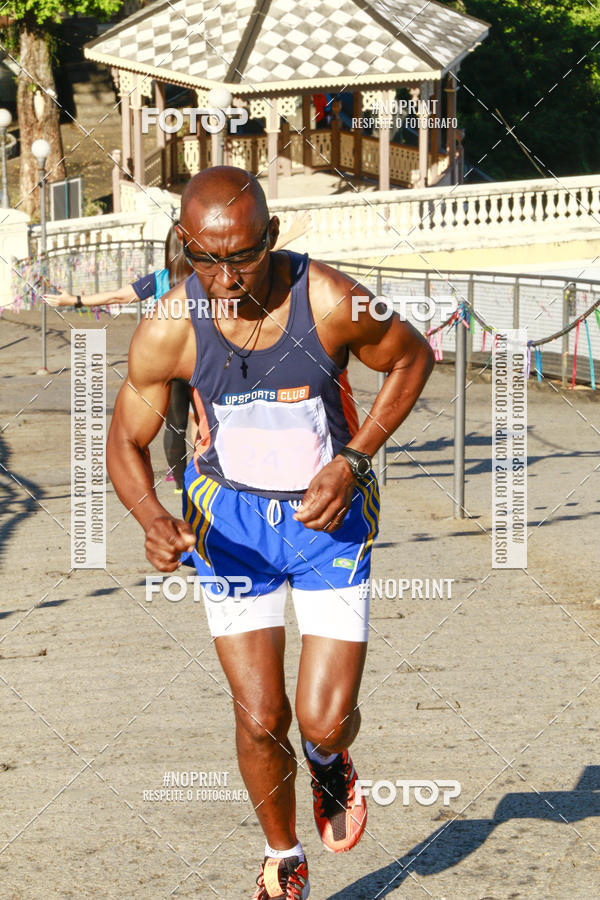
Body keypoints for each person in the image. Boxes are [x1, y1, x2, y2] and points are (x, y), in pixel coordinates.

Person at [106, 167, 434, 899]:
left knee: (321, 720)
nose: (224, 276)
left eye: (243, 257)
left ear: (273, 237)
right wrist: (153, 518)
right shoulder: (167, 324)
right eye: (205, 258)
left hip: (330, 519)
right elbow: (124, 440)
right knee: (260, 718)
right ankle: (282, 856)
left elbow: (413, 356)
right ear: (185, 246)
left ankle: (328, 760)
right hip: (230, 526)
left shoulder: (334, 298)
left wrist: (355, 458)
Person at [45, 215, 311, 492]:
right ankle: (206, 468)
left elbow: (118, 297)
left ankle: (179, 478)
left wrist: (73, 300)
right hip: (206, 357)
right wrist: (289, 235)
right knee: (205, 416)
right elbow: (258, 259)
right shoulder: (208, 278)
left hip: (168, 360)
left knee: (174, 423)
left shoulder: (160, 280)